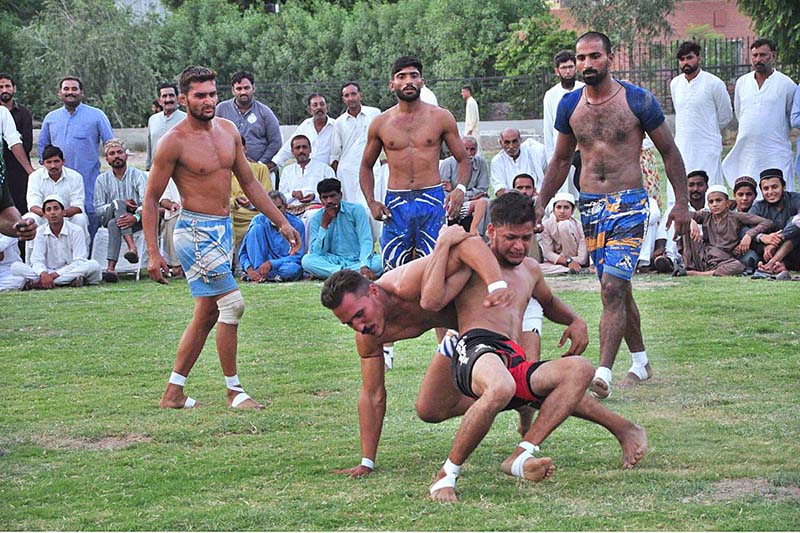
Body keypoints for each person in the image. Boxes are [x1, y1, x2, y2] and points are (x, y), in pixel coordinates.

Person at [320, 223, 592, 479]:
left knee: (532, 385)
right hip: (467, 332)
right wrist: (367, 462)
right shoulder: (367, 334)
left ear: (374, 293)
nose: (359, 326)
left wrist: (497, 285)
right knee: (431, 409)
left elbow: (467, 245)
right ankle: (513, 403)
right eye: (349, 323)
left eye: (359, 314)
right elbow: (372, 393)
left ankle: (619, 429)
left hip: (500, 299)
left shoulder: (406, 283)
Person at [421, 194, 645, 502]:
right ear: (492, 232)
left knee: (581, 368)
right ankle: (446, 475)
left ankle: (522, 453)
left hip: (513, 358)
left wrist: (575, 320)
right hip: (475, 349)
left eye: (525, 238)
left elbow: (549, 302)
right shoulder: (473, 260)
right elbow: (431, 301)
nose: (518, 245)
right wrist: (444, 244)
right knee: (500, 386)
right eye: (510, 237)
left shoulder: (530, 268)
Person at [536, 31, 690, 399]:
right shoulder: (569, 105)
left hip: (629, 203)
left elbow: (669, 151)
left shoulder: (638, 100)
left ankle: (602, 371)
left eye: (594, 56)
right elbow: (560, 160)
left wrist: (681, 203)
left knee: (612, 287)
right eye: (581, 58)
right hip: (589, 203)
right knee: (617, 288)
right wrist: (540, 202)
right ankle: (640, 361)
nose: (586, 64)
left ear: (610, 57)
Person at [142, 66, 302, 410]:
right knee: (232, 304)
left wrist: (281, 222)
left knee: (206, 315)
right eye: (200, 95)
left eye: (212, 94)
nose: (208, 101)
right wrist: (153, 253)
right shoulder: (173, 141)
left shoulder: (229, 131)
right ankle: (234, 391)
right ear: (183, 99)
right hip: (194, 232)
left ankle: (173, 392)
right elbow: (151, 198)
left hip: (222, 228)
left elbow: (251, 184)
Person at [360, 56, 471, 270]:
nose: (408, 81)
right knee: (393, 270)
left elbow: (464, 158)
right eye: (401, 77)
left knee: (435, 267)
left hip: (431, 200)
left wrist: (460, 189)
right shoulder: (381, 123)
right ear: (392, 85)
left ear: (422, 81)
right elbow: (366, 165)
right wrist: (371, 201)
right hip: (396, 203)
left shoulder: (441, 117)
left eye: (414, 76)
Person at [38, 76, 114, 239]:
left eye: (74, 89)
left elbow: (111, 144)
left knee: (87, 218)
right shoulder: (51, 118)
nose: (70, 92)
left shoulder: (96, 115)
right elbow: (43, 148)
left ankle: (89, 260)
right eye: (66, 89)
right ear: (60, 93)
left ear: (81, 93)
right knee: (56, 219)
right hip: (58, 183)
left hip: (88, 182)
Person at [722, 38, 797, 192]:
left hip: (775, 150)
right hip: (748, 151)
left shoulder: (787, 84)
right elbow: (740, 111)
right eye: (755, 56)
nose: (758, 59)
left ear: (773, 56)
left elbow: (791, 117)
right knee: (749, 193)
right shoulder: (742, 82)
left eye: (763, 55)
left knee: (779, 194)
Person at [669, 41, 733, 208]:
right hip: (683, 146)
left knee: (711, 190)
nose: (685, 63)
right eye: (682, 59)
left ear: (699, 58)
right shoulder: (675, 84)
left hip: (707, 147)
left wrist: (708, 130)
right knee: (682, 187)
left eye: (689, 58)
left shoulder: (714, 83)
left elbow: (726, 115)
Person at [11, 194, 101, 288]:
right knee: (15, 267)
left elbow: (79, 261)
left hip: (69, 270)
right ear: (44, 215)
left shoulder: (76, 230)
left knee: (93, 265)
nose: (52, 213)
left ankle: (40, 283)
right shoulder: (40, 231)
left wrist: (54, 275)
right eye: (48, 210)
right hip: (48, 271)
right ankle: (67, 282)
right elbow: (37, 260)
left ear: (63, 212)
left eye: (56, 208)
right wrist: (44, 273)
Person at [302, 178, 382, 280]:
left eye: (332, 196)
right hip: (333, 261)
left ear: (340, 195)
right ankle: (348, 274)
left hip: (357, 259)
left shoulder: (356, 210)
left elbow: (365, 240)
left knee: (379, 262)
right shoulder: (316, 218)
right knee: (307, 261)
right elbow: (317, 252)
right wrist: (324, 225)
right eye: (325, 198)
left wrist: (364, 265)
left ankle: (339, 275)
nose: (329, 201)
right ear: (320, 199)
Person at [684, 185, 771, 276]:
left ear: (727, 203)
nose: (714, 204)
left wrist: (749, 235)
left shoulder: (736, 216)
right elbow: (684, 215)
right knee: (685, 228)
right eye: (711, 202)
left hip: (725, 258)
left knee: (738, 266)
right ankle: (690, 266)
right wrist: (692, 221)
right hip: (704, 254)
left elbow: (767, 222)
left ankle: (697, 273)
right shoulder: (706, 215)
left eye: (718, 200)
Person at [94, 139, 148, 282]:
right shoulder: (101, 179)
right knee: (118, 204)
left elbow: (147, 203)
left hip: (138, 220)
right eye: (112, 154)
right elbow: (98, 209)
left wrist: (135, 217)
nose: (116, 156)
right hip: (109, 216)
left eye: (120, 152)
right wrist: (118, 205)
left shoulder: (138, 175)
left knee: (114, 224)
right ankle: (132, 248)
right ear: (107, 159)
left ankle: (111, 268)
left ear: (126, 155)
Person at [24, 145, 89, 249]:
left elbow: (78, 206)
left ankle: (81, 257)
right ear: (43, 163)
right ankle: (33, 260)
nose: (53, 166)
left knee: (80, 218)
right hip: (44, 217)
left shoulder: (75, 177)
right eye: (49, 162)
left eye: (56, 161)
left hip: (68, 217)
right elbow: (33, 206)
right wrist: (49, 214)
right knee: (30, 218)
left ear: (63, 161)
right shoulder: (35, 177)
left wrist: (60, 214)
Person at [216, 71, 282, 172]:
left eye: (246, 88)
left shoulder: (264, 112)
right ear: (233, 91)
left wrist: (260, 164)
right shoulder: (221, 110)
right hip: (228, 169)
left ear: (253, 88)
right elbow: (212, 137)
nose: (243, 92)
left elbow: (276, 142)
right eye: (239, 89)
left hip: (258, 171)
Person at [330, 82, 382, 205]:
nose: (351, 98)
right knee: (352, 208)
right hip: (348, 172)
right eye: (346, 95)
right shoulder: (339, 122)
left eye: (353, 94)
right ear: (343, 99)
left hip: (372, 169)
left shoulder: (375, 114)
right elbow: (335, 154)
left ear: (360, 95)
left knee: (373, 205)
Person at [239, 190, 305, 283]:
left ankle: (260, 276)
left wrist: (272, 263)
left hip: (282, 266)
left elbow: (298, 257)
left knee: (292, 269)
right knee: (256, 229)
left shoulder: (296, 224)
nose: (275, 213)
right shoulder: (258, 220)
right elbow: (243, 253)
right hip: (260, 264)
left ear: (286, 207)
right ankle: (258, 273)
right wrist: (249, 269)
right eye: (271, 209)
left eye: (279, 208)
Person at [543, 51, 584, 196]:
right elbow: (548, 128)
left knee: (584, 193)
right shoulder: (551, 95)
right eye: (564, 68)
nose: (568, 71)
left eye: (571, 67)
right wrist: (550, 159)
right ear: (557, 71)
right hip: (561, 150)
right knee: (564, 197)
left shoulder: (584, 89)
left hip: (583, 150)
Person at [230, 136, 273, 262]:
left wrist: (252, 202)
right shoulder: (223, 172)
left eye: (238, 147)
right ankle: (232, 262)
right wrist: (236, 202)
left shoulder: (260, 169)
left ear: (245, 148)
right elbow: (220, 199)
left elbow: (269, 195)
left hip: (256, 213)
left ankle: (253, 262)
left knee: (260, 222)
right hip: (234, 214)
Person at [749, 168, 800, 273]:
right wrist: (762, 237)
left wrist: (778, 238)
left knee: (795, 228)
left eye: (775, 187)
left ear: (783, 187)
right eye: (766, 188)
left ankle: (771, 265)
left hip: (796, 249)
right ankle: (778, 265)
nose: (770, 192)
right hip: (768, 252)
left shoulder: (795, 199)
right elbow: (744, 228)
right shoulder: (758, 207)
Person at [439, 136, 489, 236]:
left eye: (472, 149)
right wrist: (471, 196)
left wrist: (455, 191)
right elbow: (443, 192)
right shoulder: (447, 164)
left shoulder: (481, 163)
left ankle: (481, 236)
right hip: (451, 204)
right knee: (481, 202)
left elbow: (482, 189)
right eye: (466, 149)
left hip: (471, 202)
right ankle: (473, 232)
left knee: (486, 203)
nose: (469, 153)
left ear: (476, 150)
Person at [0, 73, 35, 214]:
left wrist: (30, 172)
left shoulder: (22, 113)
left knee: (19, 207)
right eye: (0, 87)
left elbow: (23, 144)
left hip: (17, 168)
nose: (4, 90)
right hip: (3, 165)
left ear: (14, 89)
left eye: (7, 86)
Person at [273, 93, 336, 168]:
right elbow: (289, 147)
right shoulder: (306, 125)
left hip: (328, 175)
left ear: (327, 108)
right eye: (315, 105)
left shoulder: (336, 126)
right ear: (309, 110)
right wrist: (274, 163)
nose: (319, 107)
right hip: (307, 174)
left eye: (322, 104)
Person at [278, 135, 334, 216]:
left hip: (316, 210)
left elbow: (333, 194)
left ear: (310, 149)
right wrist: (293, 194)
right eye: (297, 148)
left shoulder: (324, 169)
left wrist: (314, 196)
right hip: (291, 211)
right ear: (292, 151)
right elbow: (281, 198)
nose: (301, 150)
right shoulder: (287, 171)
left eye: (304, 147)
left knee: (310, 215)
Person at [539, 192, 588, 275]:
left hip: (576, 260)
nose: (562, 211)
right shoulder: (546, 225)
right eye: (558, 207)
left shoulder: (580, 226)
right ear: (553, 210)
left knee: (564, 225)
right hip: (558, 262)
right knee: (537, 267)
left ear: (572, 210)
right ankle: (570, 270)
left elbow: (582, 259)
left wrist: (570, 260)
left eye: (566, 207)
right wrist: (567, 261)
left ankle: (571, 268)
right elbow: (548, 253)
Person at [490, 128, 548, 196]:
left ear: (520, 140)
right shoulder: (497, 161)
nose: (511, 146)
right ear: (501, 143)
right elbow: (499, 190)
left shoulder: (533, 152)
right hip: (511, 201)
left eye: (514, 141)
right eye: (507, 142)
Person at [146, 82, 186, 171]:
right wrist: (148, 168)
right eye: (164, 96)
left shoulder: (186, 119)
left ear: (178, 98)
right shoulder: (153, 119)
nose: (168, 99)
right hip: (156, 171)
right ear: (159, 100)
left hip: (180, 173)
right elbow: (149, 147)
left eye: (171, 95)